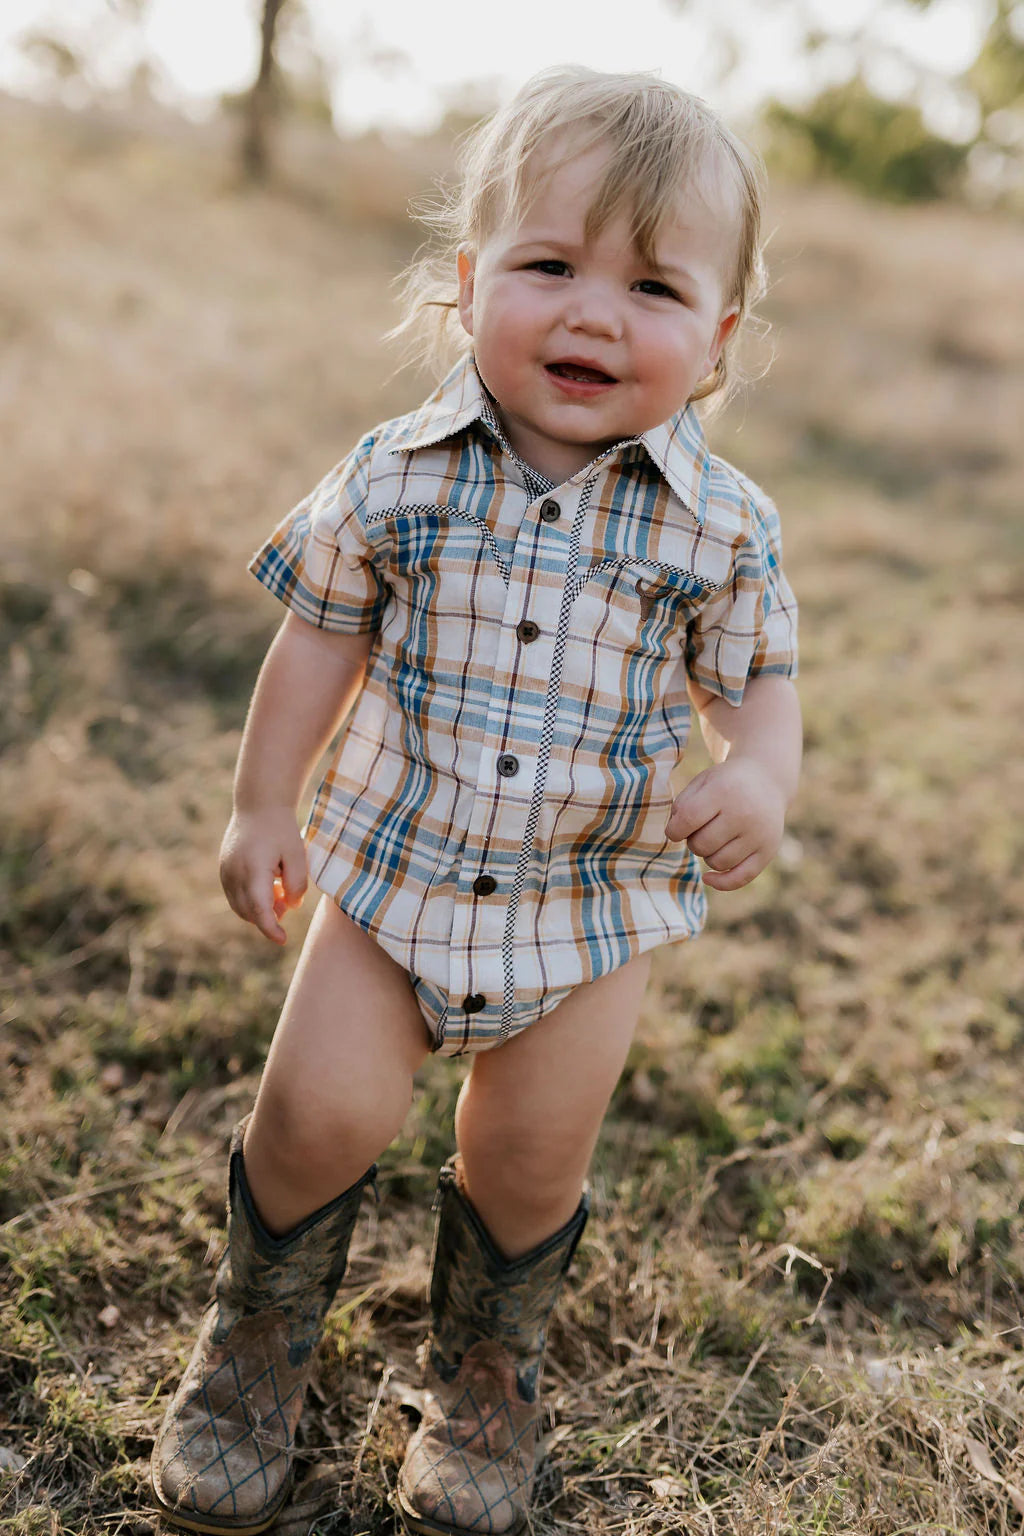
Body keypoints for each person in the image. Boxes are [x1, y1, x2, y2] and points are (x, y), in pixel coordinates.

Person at [150, 64, 801, 1536]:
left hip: (589, 905)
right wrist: (266, 807)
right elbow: (315, 638)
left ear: (718, 339)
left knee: (525, 1161)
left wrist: (758, 769)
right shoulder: (398, 478)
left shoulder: (723, 528)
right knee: (315, 1112)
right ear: (467, 284)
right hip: (392, 873)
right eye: (549, 264)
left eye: (652, 285)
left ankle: (485, 1375)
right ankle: (254, 1343)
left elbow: (755, 685)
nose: (593, 313)